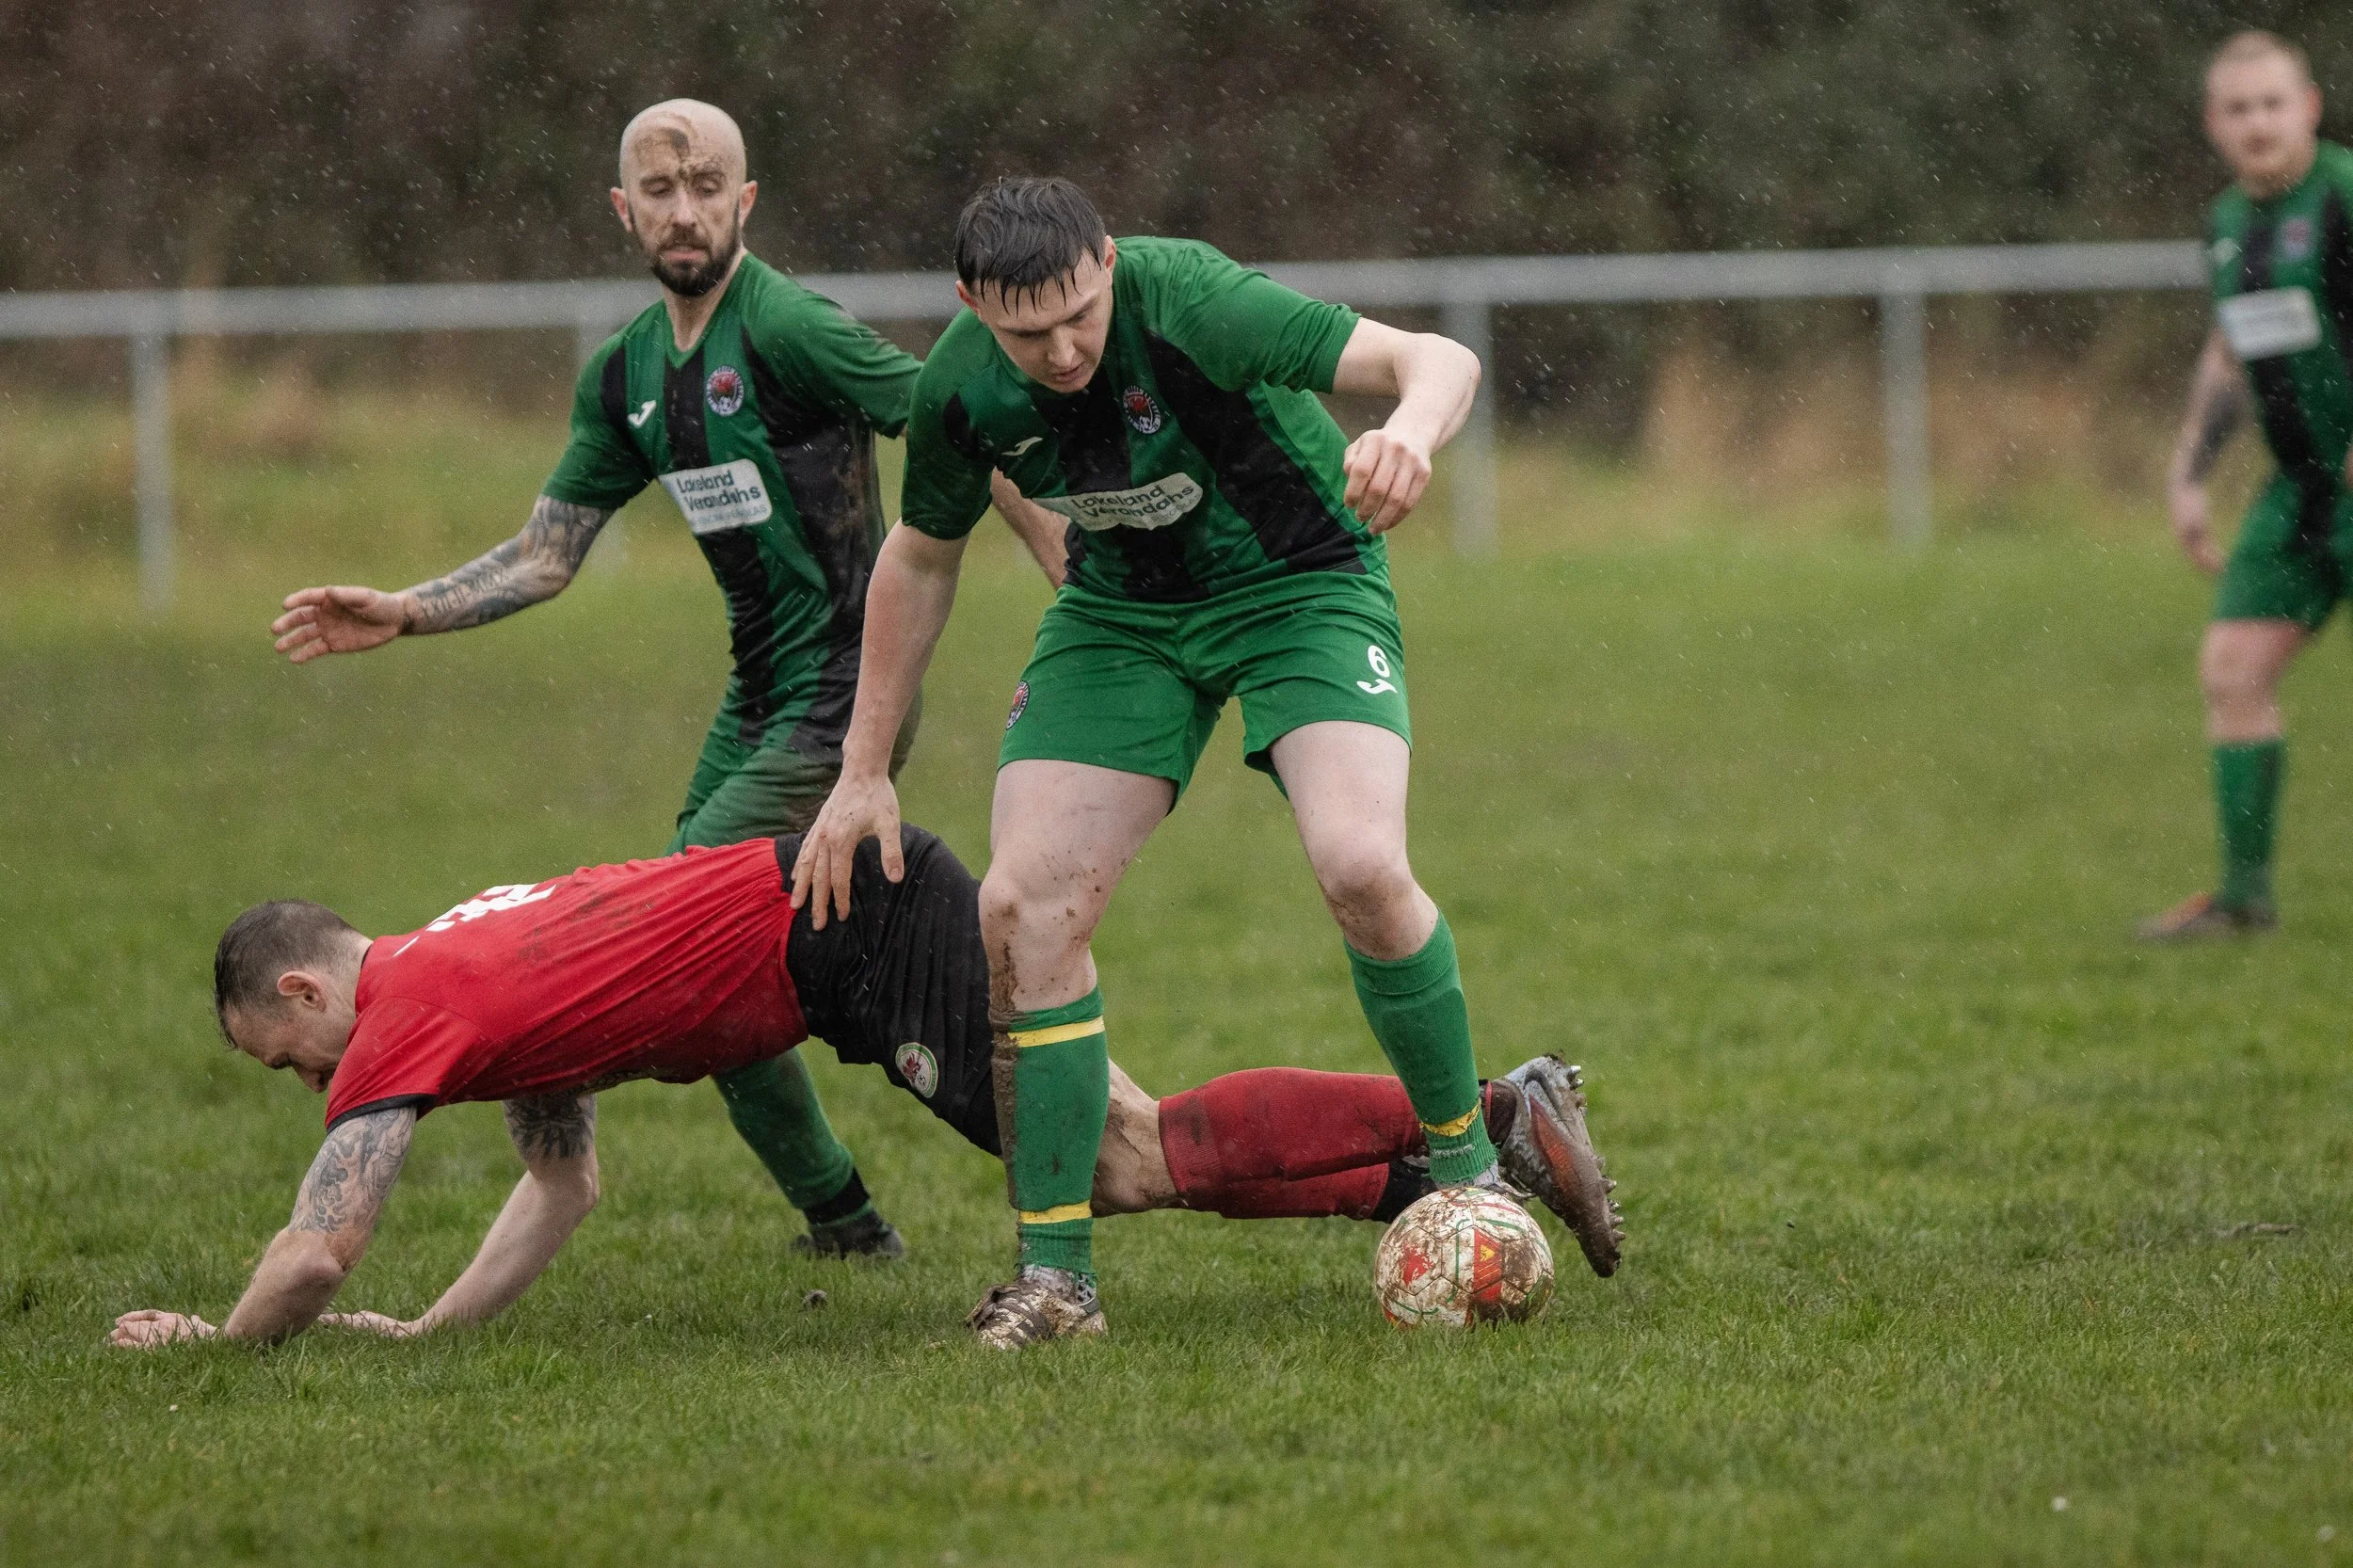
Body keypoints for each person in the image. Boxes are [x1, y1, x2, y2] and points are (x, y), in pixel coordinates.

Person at [792, 176, 1620, 1347]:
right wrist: (863, 767)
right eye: (1030, 331)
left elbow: (1435, 359)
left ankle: (1473, 1173)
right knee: (1022, 908)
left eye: (1082, 312)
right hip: (1124, 618)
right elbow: (922, 558)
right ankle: (1057, 1284)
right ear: (971, 303)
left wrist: (1405, 435)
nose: (1067, 347)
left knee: (1360, 866)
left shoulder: (1193, 301)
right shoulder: (959, 389)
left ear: (1110, 262)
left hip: (1302, 584)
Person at [264, 100, 1063, 1255]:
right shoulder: (626, 372)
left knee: (684, 931)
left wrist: (1057, 551)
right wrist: (404, 610)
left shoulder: (788, 326)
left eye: (706, 188)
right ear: (622, 208)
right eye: (659, 188)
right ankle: (842, 1219)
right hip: (753, 699)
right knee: (708, 974)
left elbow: (954, 415)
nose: (682, 210)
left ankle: (871, 1200)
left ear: (744, 202)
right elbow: (547, 553)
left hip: (843, 688)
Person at [107, 826, 1619, 1349]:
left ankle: (1485, 1124)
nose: (300, 1084)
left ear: (305, 993)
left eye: (280, 1058)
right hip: (845, 925)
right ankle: (1457, 1165)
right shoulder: (459, 969)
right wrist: (430, 1329)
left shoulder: (398, 1026)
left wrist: (209, 1342)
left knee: (1118, 1158)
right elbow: (563, 1179)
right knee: (1121, 1151)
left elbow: (315, 1246)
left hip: (851, 933)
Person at [2140, 33, 2353, 941]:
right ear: (2213, 125)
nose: (2258, 124)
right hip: (2302, 491)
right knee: (2232, 669)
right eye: (2239, 109)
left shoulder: (2344, 194)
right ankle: (2243, 902)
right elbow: (2234, 347)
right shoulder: (2229, 222)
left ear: (2307, 105)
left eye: (2273, 104)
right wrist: (2190, 472)